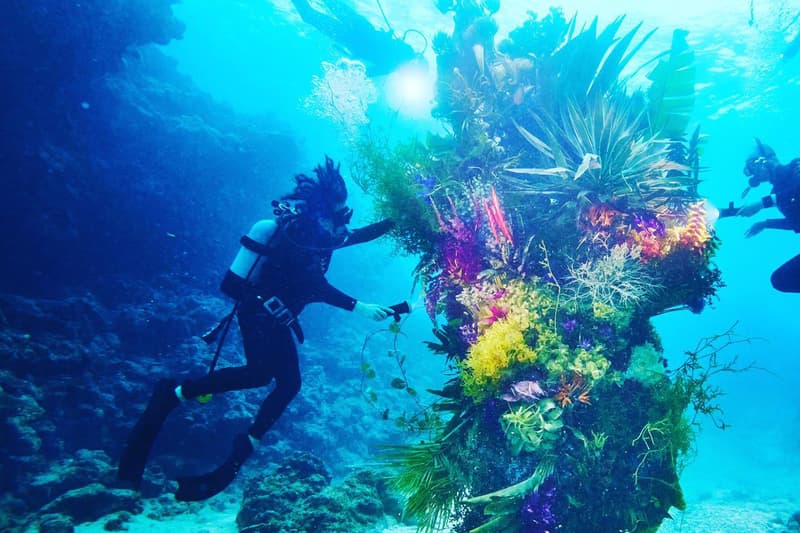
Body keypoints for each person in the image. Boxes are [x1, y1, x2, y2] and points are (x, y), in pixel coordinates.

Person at [118, 156, 401, 501]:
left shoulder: (324, 237)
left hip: (277, 320)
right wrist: (358, 306)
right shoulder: (295, 236)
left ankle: (230, 455)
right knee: (260, 375)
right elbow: (293, 283)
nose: (342, 224)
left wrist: (402, 216)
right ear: (317, 211)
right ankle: (175, 394)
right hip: (256, 316)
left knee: (285, 383)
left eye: (344, 215)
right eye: (336, 215)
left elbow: (360, 236)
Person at [735, 139, 800, 292]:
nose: (753, 173)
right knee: (781, 280)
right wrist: (765, 223)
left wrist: (761, 203)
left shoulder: (796, 167)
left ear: (764, 160)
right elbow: (796, 223)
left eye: (753, 165)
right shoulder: (778, 192)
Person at [289, 0, 418, 76]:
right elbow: (366, 73)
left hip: (358, 29)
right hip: (352, 38)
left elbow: (366, 71)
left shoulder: (402, 53)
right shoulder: (392, 66)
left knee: (327, 5)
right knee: (311, 15)